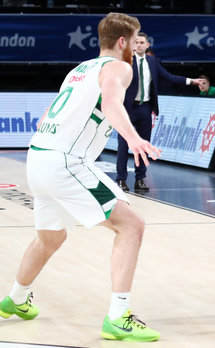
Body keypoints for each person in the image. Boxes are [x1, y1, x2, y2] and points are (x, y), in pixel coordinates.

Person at [0, 13, 161, 342]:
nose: (136, 47)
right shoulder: (120, 67)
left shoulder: (79, 69)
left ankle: (16, 299)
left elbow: (48, 112)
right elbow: (114, 104)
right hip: (65, 162)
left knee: (50, 238)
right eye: (134, 40)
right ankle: (118, 316)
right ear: (122, 42)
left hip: (39, 156)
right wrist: (133, 139)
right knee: (131, 225)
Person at [115, 32, 205, 192]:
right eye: (136, 42)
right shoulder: (125, 61)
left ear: (147, 45)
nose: (139, 45)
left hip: (145, 108)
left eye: (142, 42)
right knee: (123, 145)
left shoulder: (152, 61)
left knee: (144, 145)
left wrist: (191, 81)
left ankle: (140, 179)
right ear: (132, 45)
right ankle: (121, 180)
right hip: (127, 109)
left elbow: (169, 77)